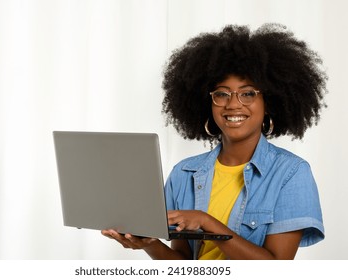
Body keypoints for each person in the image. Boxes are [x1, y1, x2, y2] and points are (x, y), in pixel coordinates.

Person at [102, 23, 327, 260]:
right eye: (221, 93)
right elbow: (185, 265)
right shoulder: (184, 173)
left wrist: (207, 222)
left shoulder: (291, 173)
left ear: (269, 102)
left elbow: (276, 269)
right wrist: (149, 244)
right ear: (207, 103)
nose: (233, 104)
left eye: (248, 93)